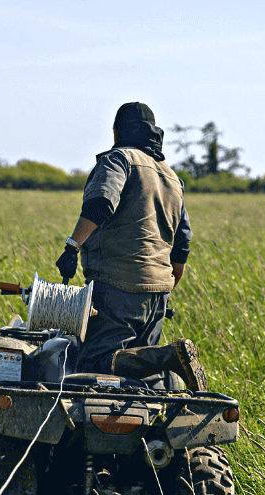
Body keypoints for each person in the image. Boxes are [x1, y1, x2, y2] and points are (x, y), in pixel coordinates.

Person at [54, 102, 207, 392]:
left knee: (96, 367)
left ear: (116, 132)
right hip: (159, 291)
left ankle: (169, 355)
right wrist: (166, 285)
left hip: (118, 287)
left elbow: (101, 202)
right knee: (140, 381)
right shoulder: (172, 177)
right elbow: (182, 244)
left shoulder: (118, 159)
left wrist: (72, 246)